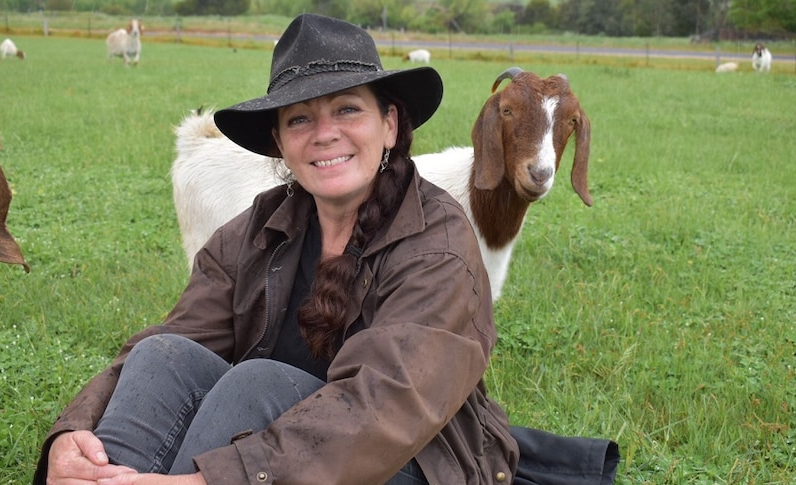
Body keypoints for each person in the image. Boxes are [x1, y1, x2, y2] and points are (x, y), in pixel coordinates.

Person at [34, 13, 519, 485]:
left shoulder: (439, 244)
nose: (324, 133)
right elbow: (185, 332)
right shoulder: (263, 226)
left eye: (348, 109)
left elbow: (384, 408)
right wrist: (74, 429)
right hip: (286, 451)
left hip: (411, 458)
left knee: (257, 383)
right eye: (300, 118)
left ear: (389, 124)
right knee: (161, 355)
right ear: (279, 143)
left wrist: (212, 479)